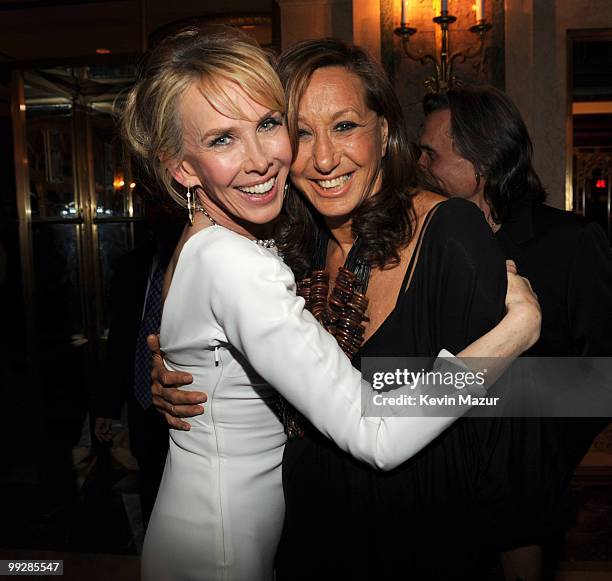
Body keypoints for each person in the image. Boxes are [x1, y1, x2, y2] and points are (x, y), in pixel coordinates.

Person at [148, 38, 540, 580]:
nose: (325, 158)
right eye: (301, 131)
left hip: (420, 547)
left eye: (345, 126)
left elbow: (515, 410)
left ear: (383, 129)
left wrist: (521, 553)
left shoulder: (448, 233)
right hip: (306, 542)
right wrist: (179, 374)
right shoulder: (288, 242)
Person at [418, 85, 612, 579]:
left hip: (523, 504)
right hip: (430, 495)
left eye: (430, 154)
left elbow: (600, 376)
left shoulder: (569, 242)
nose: (419, 165)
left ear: (481, 160)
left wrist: (538, 460)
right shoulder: (420, 245)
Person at [93, 195, 182, 528]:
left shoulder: (202, 262)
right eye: (154, 204)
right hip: (143, 405)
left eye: (167, 204)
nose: (161, 211)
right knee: (151, 493)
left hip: (185, 402)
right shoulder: (133, 265)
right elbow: (121, 342)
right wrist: (106, 406)